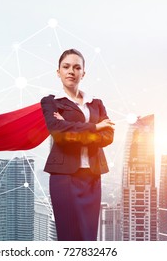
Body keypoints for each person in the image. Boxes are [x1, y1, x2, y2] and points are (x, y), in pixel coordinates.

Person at [40, 49, 115, 241]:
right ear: (58, 72)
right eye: (66, 67)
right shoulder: (51, 103)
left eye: (76, 67)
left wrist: (73, 129)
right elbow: (59, 133)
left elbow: (108, 136)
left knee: (88, 237)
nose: (71, 71)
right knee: (69, 236)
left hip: (92, 176)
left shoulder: (96, 104)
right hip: (64, 178)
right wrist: (95, 127)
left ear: (83, 73)